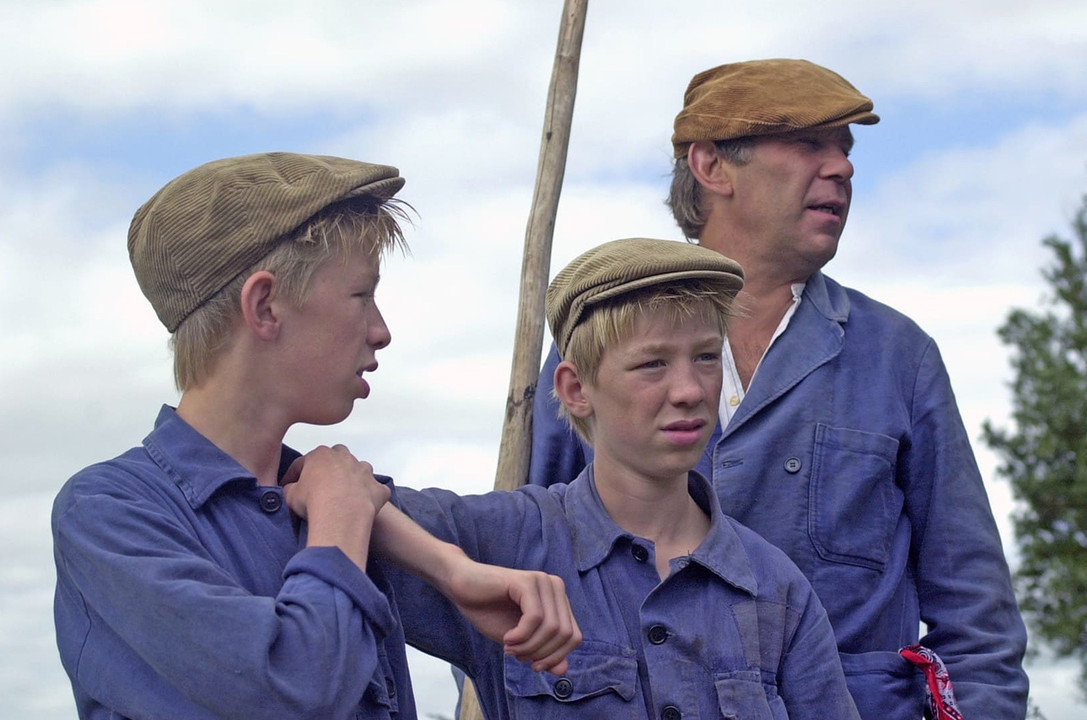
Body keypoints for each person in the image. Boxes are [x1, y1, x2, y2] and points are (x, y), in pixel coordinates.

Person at [529, 59, 1031, 719]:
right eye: (808, 144)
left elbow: (976, 616)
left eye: (845, 149)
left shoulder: (897, 357)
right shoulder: (593, 351)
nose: (842, 167)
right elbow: (522, 579)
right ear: (711, 166)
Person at [51, 152, 578, 720]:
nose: (382, 331)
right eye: (361, 295)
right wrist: (339, 516)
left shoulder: (339, 499)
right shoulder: (106, 512)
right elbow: (296, 690)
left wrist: (452, 569)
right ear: (265, 306)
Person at [314, 237, 858, 719]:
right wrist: (452, 570)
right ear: (575, 390)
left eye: (707, 357)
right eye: (653, 364)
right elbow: (322, 484)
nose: (690, 389)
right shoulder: (505, 542)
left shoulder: (776, 587)